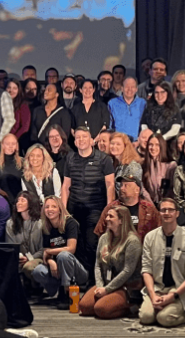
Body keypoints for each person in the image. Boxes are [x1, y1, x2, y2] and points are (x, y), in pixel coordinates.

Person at [61, 126, 115, 274]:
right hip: (74, 207)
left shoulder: (104, 159)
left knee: (92, 244)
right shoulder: (70, 158)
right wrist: (64, 211)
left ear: (91, 140)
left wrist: (108, 209)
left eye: (84, 136)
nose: (80, 140)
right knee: (76, 244)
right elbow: (66, 186)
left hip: (95, 208)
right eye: (77, 137)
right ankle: (79, 278)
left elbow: (110, 185)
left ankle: (92, 279)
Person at [140, 198, 185, 327]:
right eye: (163, 210)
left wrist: (173, 296)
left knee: (164, 319)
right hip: (157, 288)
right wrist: (152, 295)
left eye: (170, 210)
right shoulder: (150, 237)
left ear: (177, 213)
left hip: (179, 290)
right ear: (159, 213)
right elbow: (146, 270)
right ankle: (158, 306)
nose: (167, 213)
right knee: (146, 317)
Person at [31, 196, 88, 309]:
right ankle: (56, 291)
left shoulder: (70, 223)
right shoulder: (46, 227)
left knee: (64, 255)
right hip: (58, 269)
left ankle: (66, 293)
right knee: (37, 271)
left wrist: (51, 252)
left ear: (60, 209)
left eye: (53, 206)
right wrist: (51, 261)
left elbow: (71, 249)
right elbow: (45, 253)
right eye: (47, 207)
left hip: (78, 271)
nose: (50, 209)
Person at [31, 83, 74, 153]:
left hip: (57, 151)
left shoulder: (64, 112)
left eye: (49, 90)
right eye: (45, 90)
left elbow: (65, 134)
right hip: (40, 150)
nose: (45, 92)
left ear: (56, 94)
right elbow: (33, 133)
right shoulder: (37, 110)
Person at [141, 133, 176, 203]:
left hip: (167, 204)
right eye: (151, 145)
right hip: (149, 203)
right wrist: (151, 205)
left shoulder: (171, 165)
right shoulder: (143, 164)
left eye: (157, 145)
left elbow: (172, 189)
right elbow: (142, 188)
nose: (153, 148)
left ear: (162, 146)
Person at [6, 79, 31, 145]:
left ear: (19, 90)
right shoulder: (1, 104)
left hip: (16, 141)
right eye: (9, 87)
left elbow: (25, 127)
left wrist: (13, 139)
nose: (11, 91)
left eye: (15, 88)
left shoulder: (23, 105)